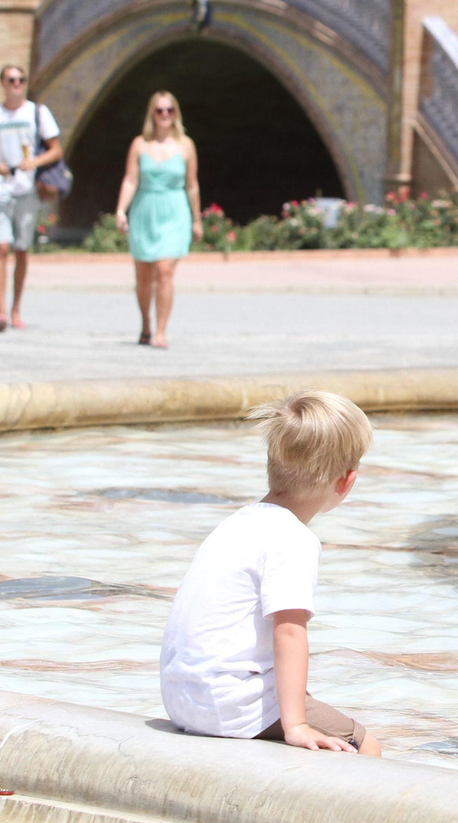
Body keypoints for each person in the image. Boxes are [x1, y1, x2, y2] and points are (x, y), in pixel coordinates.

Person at [160, 391, 383, 757]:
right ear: (347, 481)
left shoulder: (236, 523)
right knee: (364, 746)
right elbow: (290, 631)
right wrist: (296, 725)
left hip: (183, 697)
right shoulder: (293, 538)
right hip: (231, 705)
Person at [0, 65, 64, 333]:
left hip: (27, 188)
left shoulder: (37, 113)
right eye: (11, 80)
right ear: (2, 83)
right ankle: (0, 310)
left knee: (22, 249)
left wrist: (33, 162)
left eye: (21, 80)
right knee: (2, 247)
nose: (17, 84)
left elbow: (56, 150)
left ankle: (16, 309)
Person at [114, 92, 201, 349]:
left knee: (164, 271)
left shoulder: (186, 145)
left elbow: (192, 185)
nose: (165, 115)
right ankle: (145, 324)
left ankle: (161, 331)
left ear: (176, 113)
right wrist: (121, 211)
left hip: (175, 211)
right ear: (152, 114)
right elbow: (130, 180)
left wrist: (197, 219)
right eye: (160, 110)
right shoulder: (139, 144)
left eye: (169, 110)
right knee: (143, 278)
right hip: (145, 211)